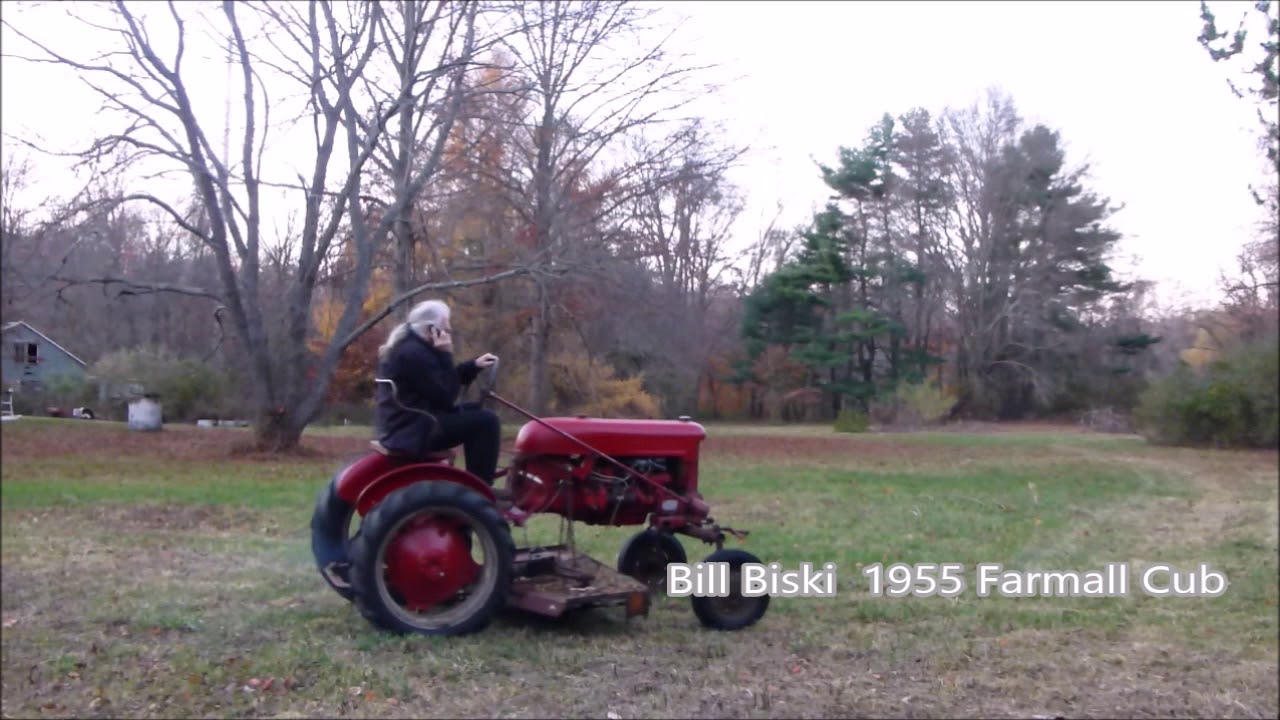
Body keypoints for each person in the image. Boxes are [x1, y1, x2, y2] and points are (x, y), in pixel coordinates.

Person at [373, 299, 501, 485]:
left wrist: (472, 366)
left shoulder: (413, 347)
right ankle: (480, 489)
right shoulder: (414, 354)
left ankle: (476, 484)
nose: (448, 333)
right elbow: (445, 397)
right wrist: (446, 353)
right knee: (487, 422)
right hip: (414, 430)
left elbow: (438, 382)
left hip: (412, 422)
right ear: (431, 330)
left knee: (476, 411)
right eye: (446, 329)